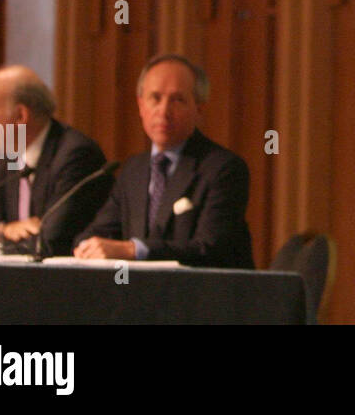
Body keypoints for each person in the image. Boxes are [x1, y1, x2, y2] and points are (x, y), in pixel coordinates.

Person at [74, 53, 254, 269]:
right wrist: (87, 247)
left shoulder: (223, 169)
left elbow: (210, 248)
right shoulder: (133, 170)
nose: (164, 111)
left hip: (203, 296)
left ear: (199, 108)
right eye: (155, 98)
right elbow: (96, 232)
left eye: (177, 100)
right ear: (141, 106)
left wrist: (134, 250)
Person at [0, 65, 111, 257]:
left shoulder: (76, 155)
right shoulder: (11, 156)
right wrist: (4, 229)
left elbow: (50, 241)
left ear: (20, 116)